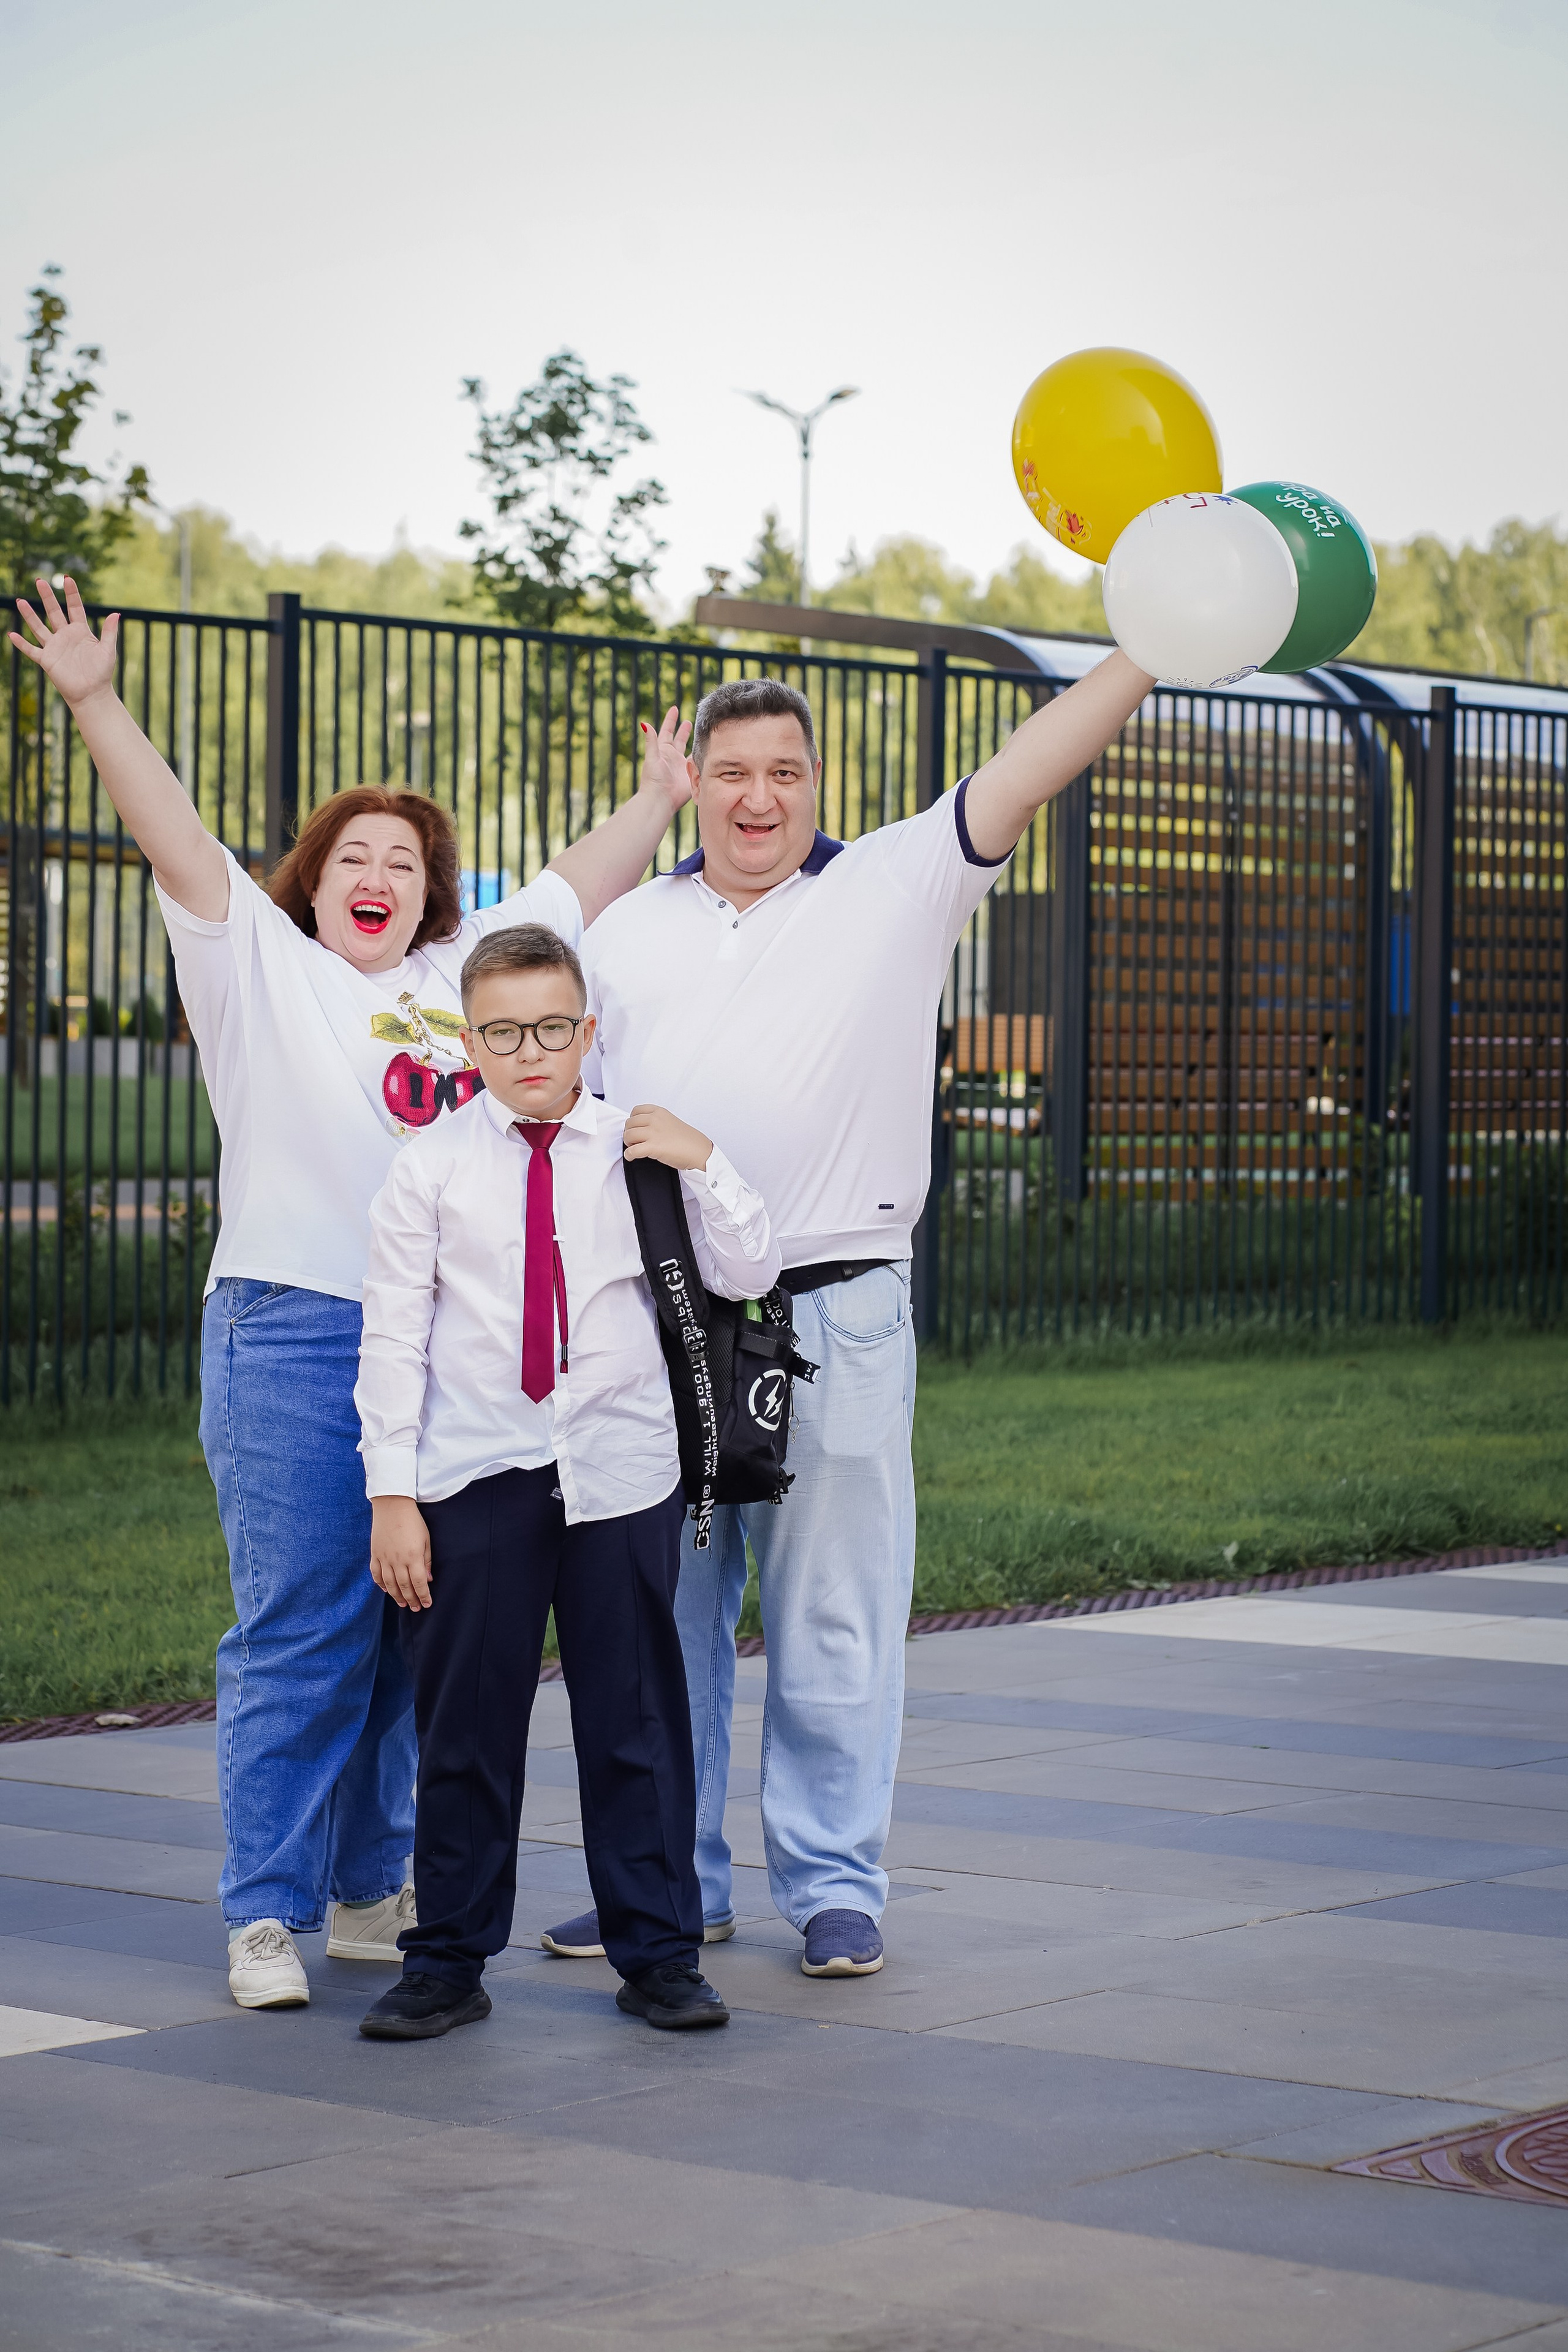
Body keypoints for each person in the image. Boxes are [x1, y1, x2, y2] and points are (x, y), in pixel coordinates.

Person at [9, 579, 692, 2011]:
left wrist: (658, 797)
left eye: (403, 857)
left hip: (446, 1347)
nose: (376, 871)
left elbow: (580, 882)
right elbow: (175, 836)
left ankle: (371, 1886)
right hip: (298, 1330)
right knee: (305, 1626)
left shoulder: (462, 980)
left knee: (413, 1628)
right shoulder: (259, 967)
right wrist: (93, 700)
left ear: (431, 896)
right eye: (350, 856)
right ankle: (266, 1911)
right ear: (313, 883)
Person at [543, 650, 1155, 1977]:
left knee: (831, 1609)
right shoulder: (627, 928)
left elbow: (1031, 762)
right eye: (731, 773)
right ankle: (668, 1881)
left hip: (836, 1310)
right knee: (659, 1611)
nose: (756, 799)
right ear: (694, 781)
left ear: (817, 781)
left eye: (784, 772)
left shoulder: (892, 883)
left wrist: (1145, 652)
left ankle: (832, 1882)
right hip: (662, 1319)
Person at [353, 923, 778, 2039]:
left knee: (637, 1721)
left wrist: (707, 1160)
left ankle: (660, 1956)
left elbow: (749, 1270)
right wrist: (392, 1494)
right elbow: (395, 1339)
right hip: (476, 1473)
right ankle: (445, 1959)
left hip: (619, 1472)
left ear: (587, 1032)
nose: (530, 1050)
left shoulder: (635, 1152)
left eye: (552, 1028)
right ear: (471, 1041)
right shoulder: (429, 1166)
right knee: (467, 1724)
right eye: (502, 1031)